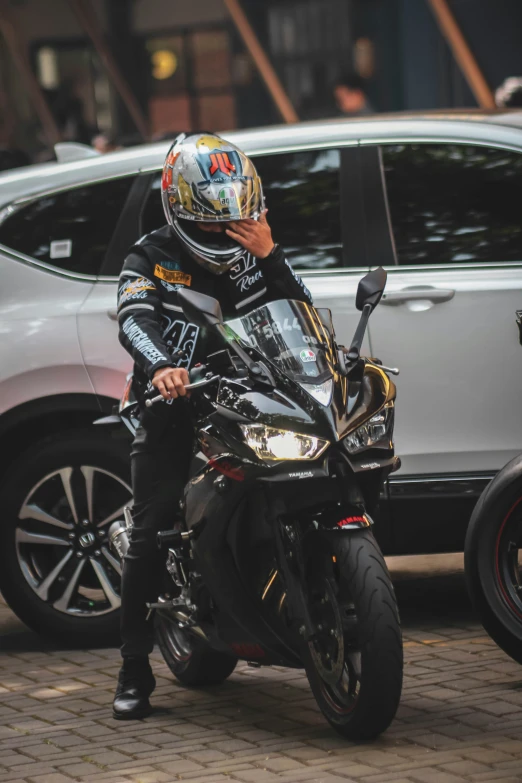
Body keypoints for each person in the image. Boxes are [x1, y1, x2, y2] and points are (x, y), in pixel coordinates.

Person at [113, 132, 313, 720]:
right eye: (210, 220)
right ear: (179, 206)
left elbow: (299, 317)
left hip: (250, 401)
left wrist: (271, 255)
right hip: (174, 405)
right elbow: (132, 319)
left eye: (234, 217)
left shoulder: (254, 248)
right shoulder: (147, 256)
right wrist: (162, 368)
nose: (224, 232)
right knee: (149, 532)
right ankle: (131, 668)